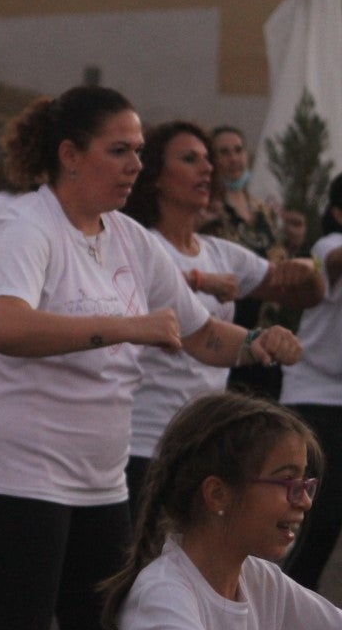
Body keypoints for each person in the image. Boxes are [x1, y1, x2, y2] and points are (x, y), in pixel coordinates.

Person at [0, 86, 302, 630]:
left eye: (139, 150)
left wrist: (254, 344)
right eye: (120, 150)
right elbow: (7, 325)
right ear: (70, 155)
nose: (136, 163)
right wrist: (124, 327)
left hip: (99, 479)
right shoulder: (29, 226)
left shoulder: (130, 237)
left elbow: (197, 334)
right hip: (18, 471)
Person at [101, 392, 342, 630]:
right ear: (217, 494)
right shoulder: (162, 591)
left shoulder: (261, 581)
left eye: (306, 484)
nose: (305, 500)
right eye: (287, 481)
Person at [122, 121, 322, 507]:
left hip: (204, 448)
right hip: (145, 445)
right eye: (189, 159)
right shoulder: (138, 242)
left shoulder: (220, 251)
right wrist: (200, 280)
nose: (207, 168)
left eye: (207, 160)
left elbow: (300, 293)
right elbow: (134, 278)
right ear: (157, 178)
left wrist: (308, 271)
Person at [206, 125, 306, 399]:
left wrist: (294, 243)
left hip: (270, 332)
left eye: (238, 150)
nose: (233, 159)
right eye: (223, 152)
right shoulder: (209, 212)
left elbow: (278, 266)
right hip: (230, 335)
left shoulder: (265, 211)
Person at [281, 173, 342, 591]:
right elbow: (333, 262)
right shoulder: (327, 247)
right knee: (320, 514)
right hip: (315, 397)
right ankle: (284, 604)